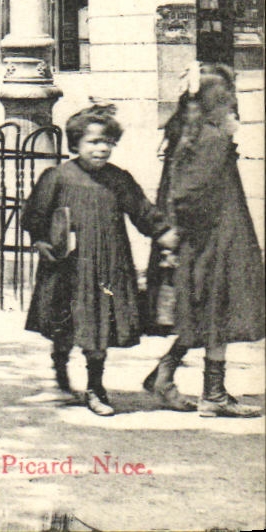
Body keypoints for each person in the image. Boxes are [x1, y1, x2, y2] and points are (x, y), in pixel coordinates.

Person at [21, 104, 179, 416]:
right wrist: (40, 240)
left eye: (108, 141)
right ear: (75, 143)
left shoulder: (119, 179)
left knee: (99, 329)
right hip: (67, 267)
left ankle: (96, 388)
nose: (102, 148)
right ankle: (62, 375)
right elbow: (34, 215)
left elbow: (143, 213)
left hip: (108, 265)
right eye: (94, 141)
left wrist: (167, 235)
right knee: (64, 326)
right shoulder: (58, 177)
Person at [141, 64, 265, 417]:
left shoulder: (193, 134)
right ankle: (212, 394)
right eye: (229, 101)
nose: (234, 109)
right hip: (215, 241)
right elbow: (188, 193)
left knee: (208, 313)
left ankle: (167, 375)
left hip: (208, 241)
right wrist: (192, 236)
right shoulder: (212, 139)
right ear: (219, 103)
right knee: (217, 311)